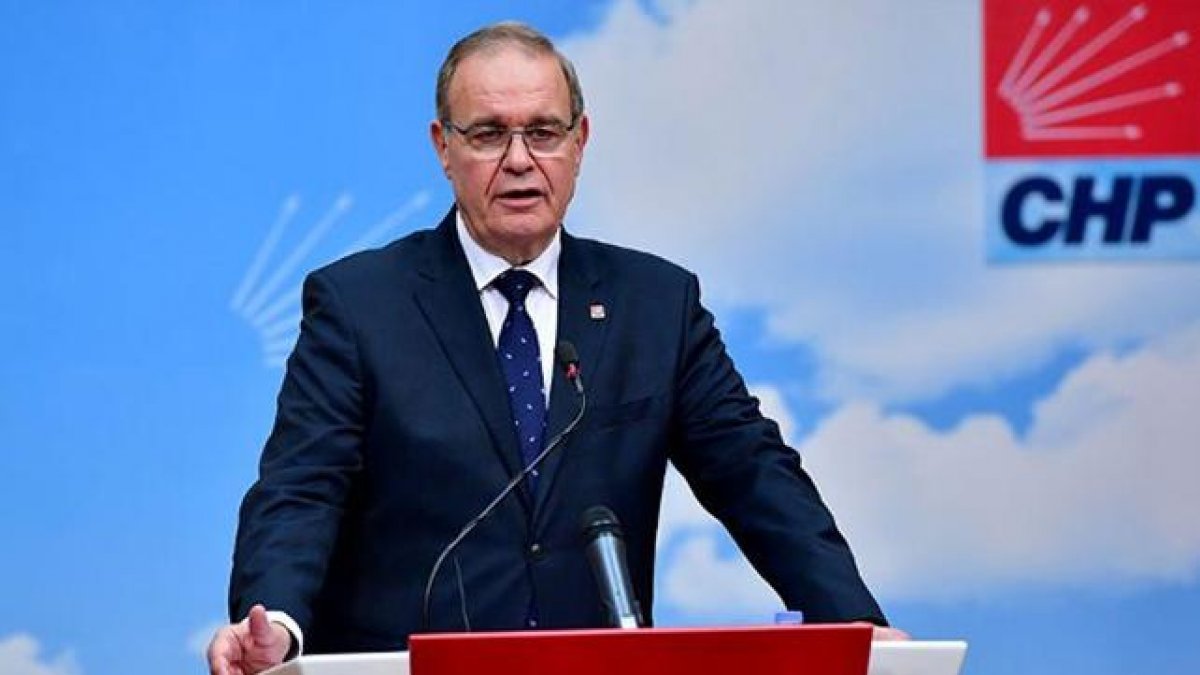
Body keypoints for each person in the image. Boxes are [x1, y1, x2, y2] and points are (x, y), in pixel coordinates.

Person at [208, 20, 904, 675]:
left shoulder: (656, 305)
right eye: (488, 134)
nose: (519, 161)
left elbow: (754, 474)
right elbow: (302, 488)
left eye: (542, 132)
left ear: (580, 141)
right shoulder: (360, 304)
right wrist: (278, 621)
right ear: (443, 147)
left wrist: (856, 623)